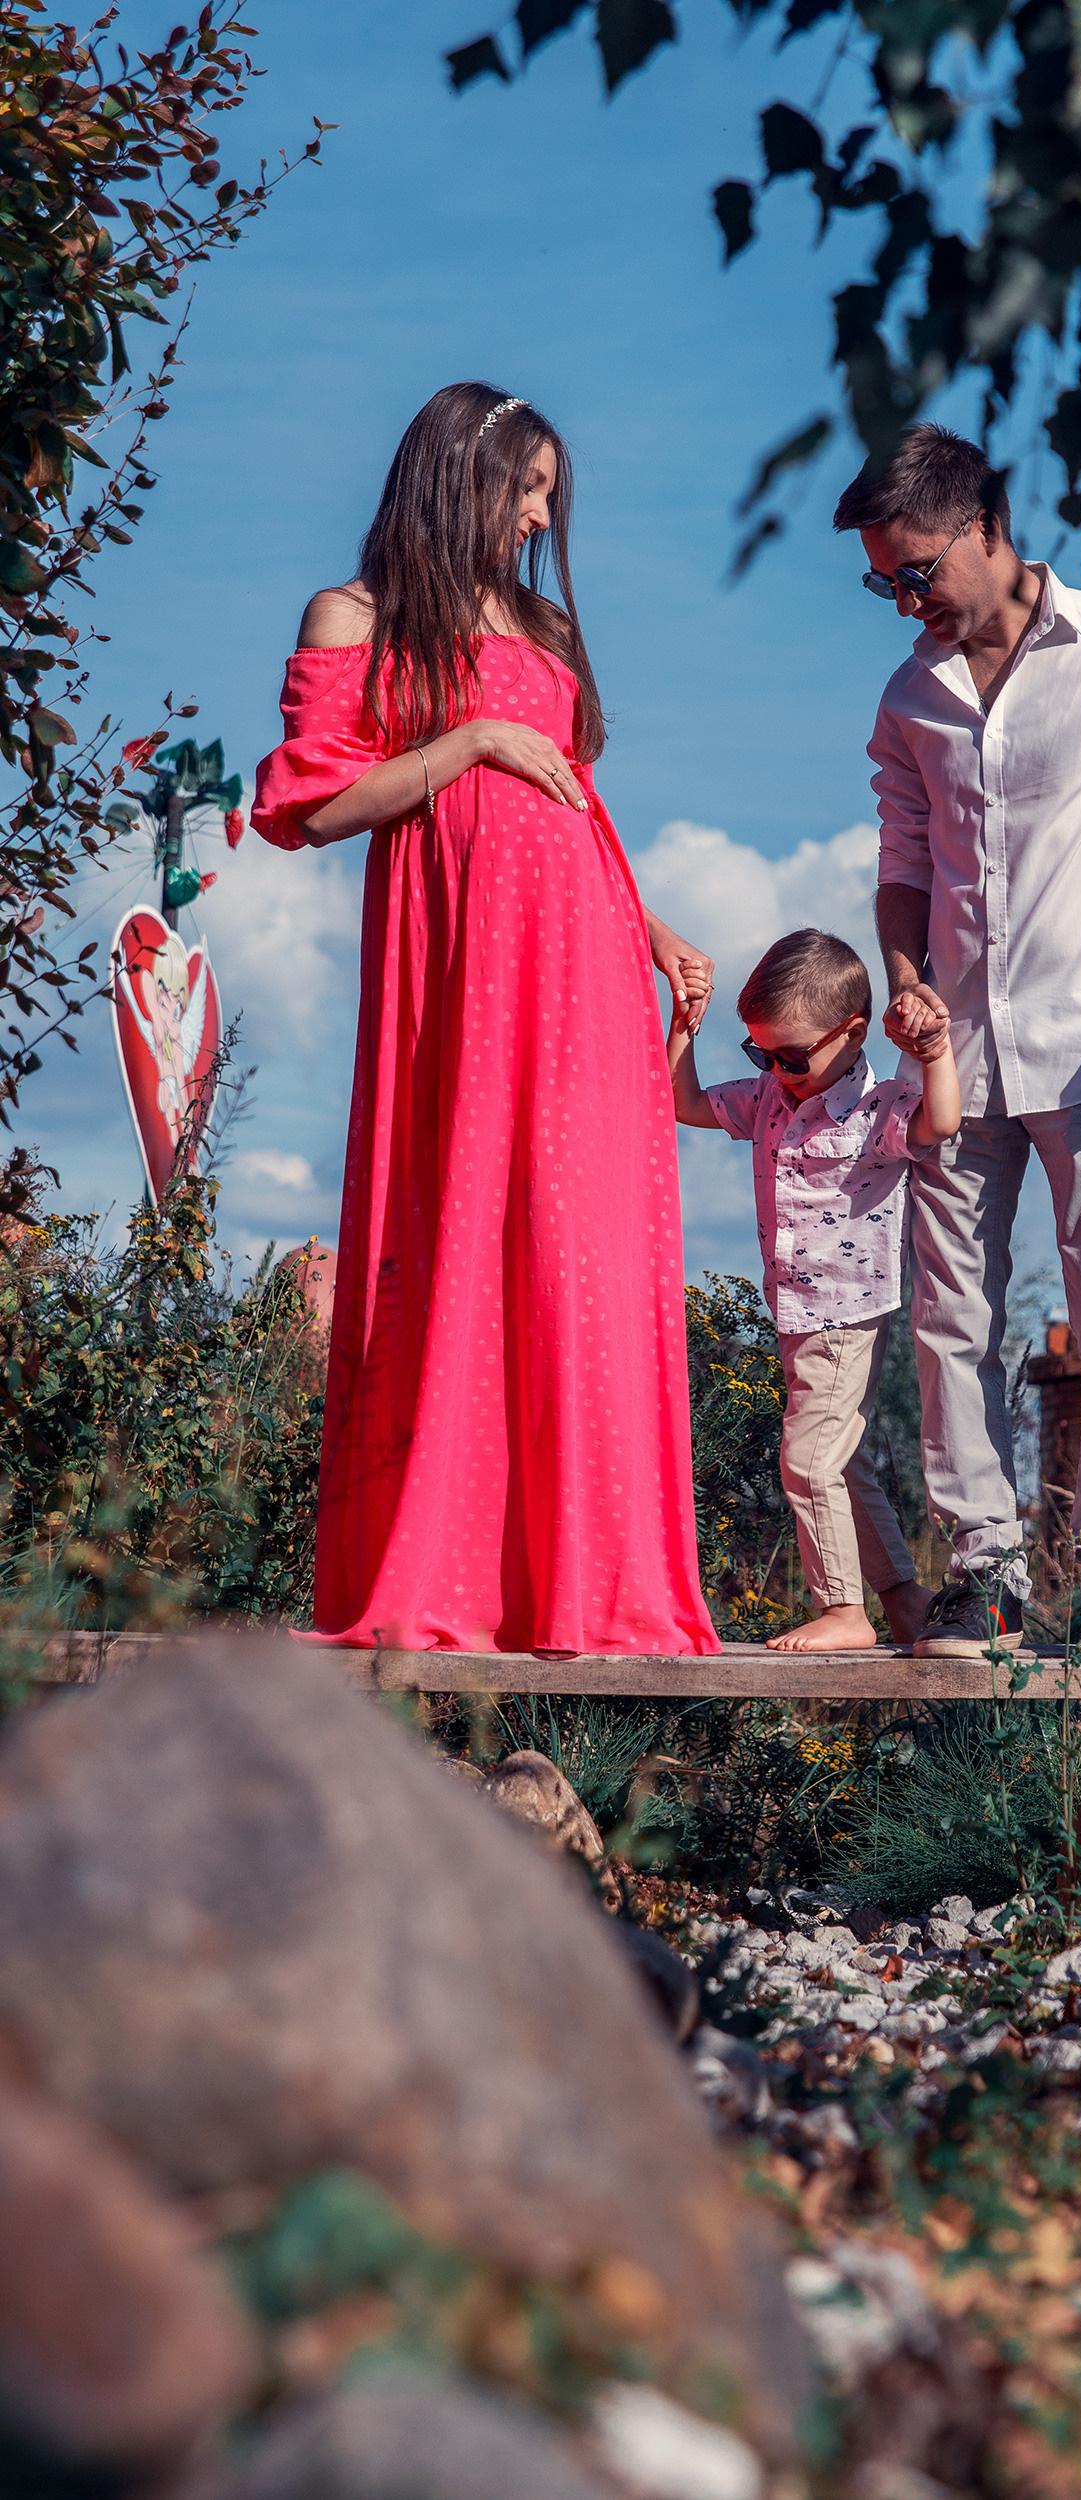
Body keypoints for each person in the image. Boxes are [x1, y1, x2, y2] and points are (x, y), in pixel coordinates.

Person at [252, 381, 720, 1656]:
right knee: (459, 1225)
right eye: (522, 489)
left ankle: (589, 1583)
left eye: (548, 499)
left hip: (584, 959)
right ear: (458, 475)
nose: (533, 518)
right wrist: (467, 745)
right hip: (454, 966)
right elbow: (313, 805)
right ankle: (457, 1580)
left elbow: (579, 803)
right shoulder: (356, 616)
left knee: (579, 1249)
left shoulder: (546, 624)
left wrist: (654, 927)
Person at [836, 424, 1081, 1661]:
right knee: (949, 1318)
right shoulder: (911, 696)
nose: (904, 602)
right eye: (883, 585)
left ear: (988, 530)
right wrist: (903, 975)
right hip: (955, 1064)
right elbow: (905, 864)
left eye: (915, 574)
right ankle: (986, 1576)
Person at [667, 928, 961, 1653]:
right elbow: (686, 1105)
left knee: (806, 1460)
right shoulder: (769, 1097)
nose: (774, 1069)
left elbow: (942, 1121)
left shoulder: (877, 1107)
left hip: (845, 1314)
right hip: (797, 1314)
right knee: (842, 1458)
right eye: (758, 1053)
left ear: (850, 1033)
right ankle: (900, 1595)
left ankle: (842, 1608)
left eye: (790, 1055)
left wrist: (935, 1054)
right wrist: (681, 1030)